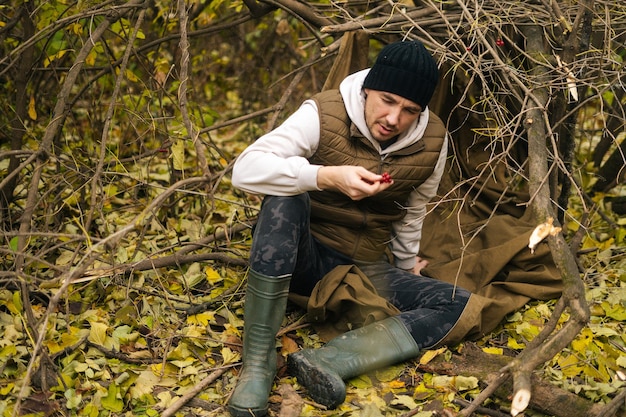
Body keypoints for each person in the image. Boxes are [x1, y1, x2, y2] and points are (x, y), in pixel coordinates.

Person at [227, 39, 472, 417]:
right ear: (367, 89)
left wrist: (407, 266)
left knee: (458, 303)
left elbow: (413, 209)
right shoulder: (323, 113)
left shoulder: (432, 139)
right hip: (303, 258)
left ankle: (333, 360)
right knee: (285, 197)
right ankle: (257, 365)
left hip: (366, 268)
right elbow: (245, 170)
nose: (393, 118)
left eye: (409, 110)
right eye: (387, 100)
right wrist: (324, 176)